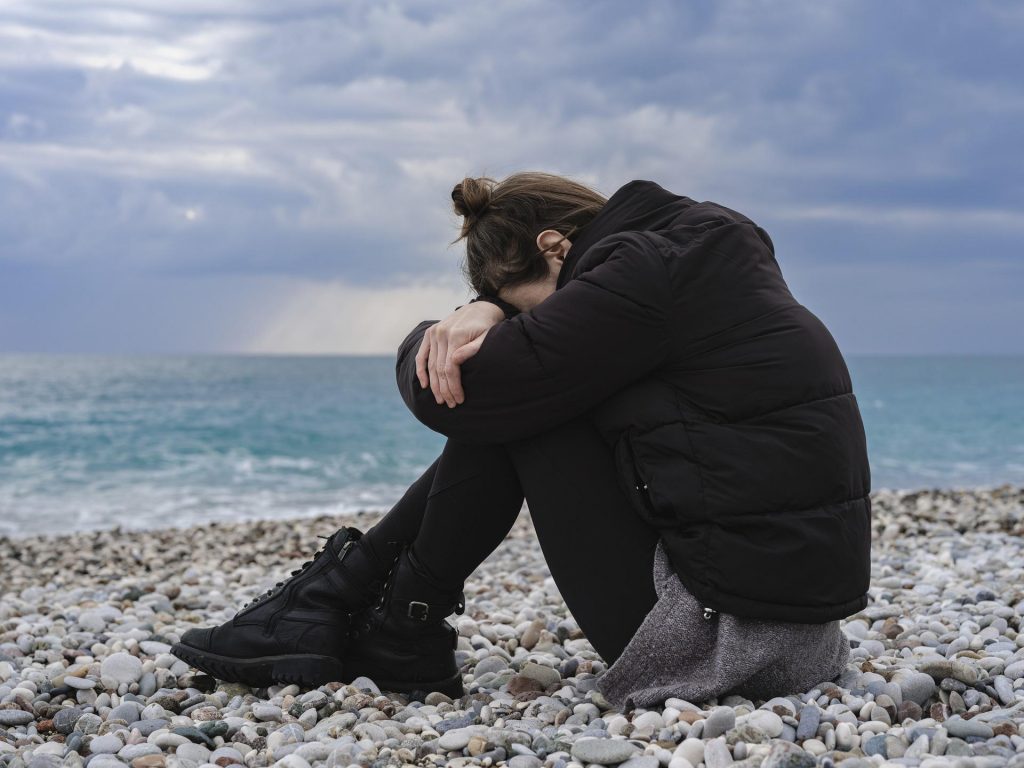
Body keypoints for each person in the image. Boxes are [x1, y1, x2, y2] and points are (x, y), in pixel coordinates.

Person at [172, 173, 871, 707]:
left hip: (732, 644)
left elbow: (464, 395)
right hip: (799, 633)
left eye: (522, 308)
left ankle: (367, 615)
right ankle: (377, 620)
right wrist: (490, 308)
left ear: (554, 247)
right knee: (534, 395)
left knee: (523, 407)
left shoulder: (640, 275)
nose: (526, 322)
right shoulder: (693, 251)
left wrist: (440, 334)